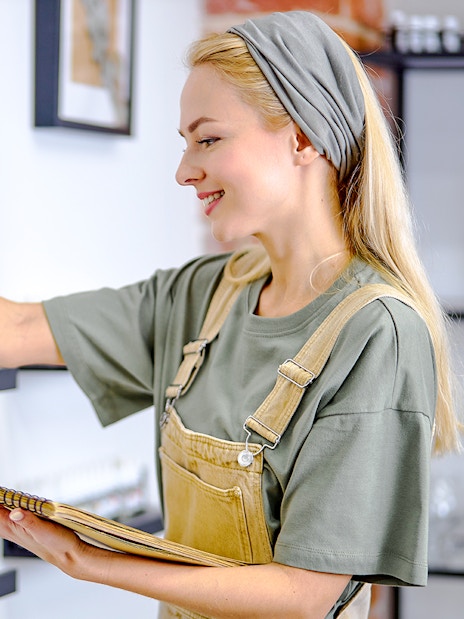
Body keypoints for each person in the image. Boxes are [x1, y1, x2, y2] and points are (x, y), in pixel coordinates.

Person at [0, 10, 461, 619]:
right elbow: (20, 329)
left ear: (303, 137)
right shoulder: (206, 296)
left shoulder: (376, 333)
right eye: (185, 143)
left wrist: (94, 562)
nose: (184, 171)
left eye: (208, 139)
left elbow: (304, 595)